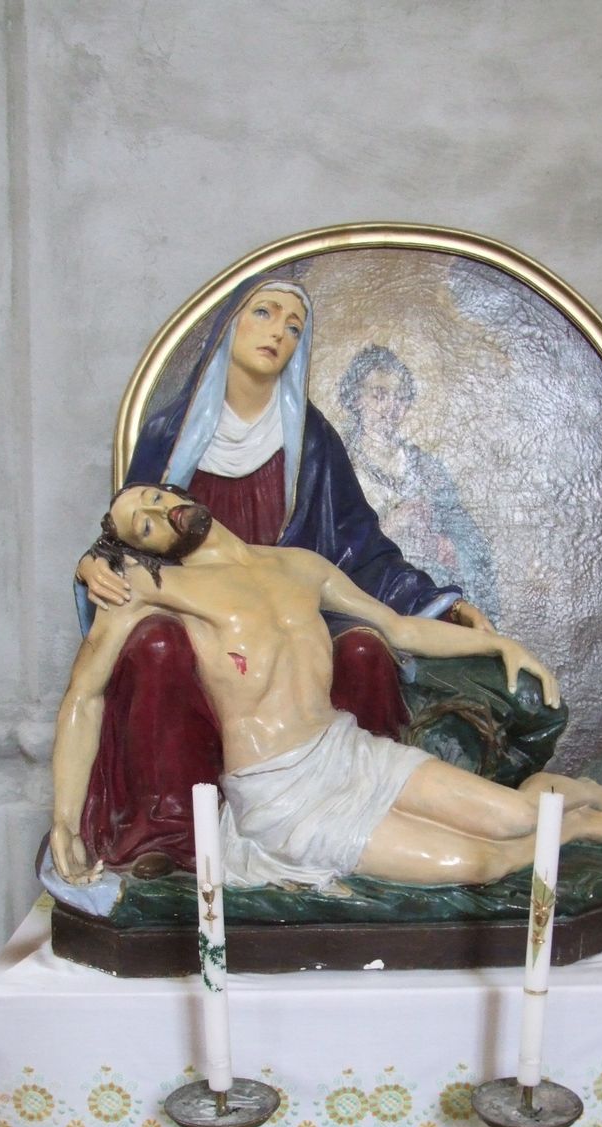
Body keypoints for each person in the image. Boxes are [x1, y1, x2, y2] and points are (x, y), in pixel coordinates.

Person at [73, 277, 497, 876]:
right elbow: (125, 529)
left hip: (290, 604)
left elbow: (359, 544)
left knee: (363, 649)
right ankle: (170, 832)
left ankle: (370, 822)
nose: (278, 332)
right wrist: (94, 564)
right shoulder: (172, 433)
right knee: (157, 645)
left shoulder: (311, 441)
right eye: (264, 313)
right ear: (229, 326)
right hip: (198, 610)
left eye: (294, 326)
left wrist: (437, 603)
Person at [51, 487, 602, 892]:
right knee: (476, 862)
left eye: (158, 498)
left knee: (514, 817)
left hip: (349, 752)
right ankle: (579, 828)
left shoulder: (300, 565)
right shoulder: (152, 588)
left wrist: (499, 645)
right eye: (145, 525)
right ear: (143, 550)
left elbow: (399, 628)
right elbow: (85, 696)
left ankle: (572, 794)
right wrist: (64, 818)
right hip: (282, 792)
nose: (162, 513)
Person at [338, 344, 501, 625]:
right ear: (355, 398)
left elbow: (469, 541)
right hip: (371, 604)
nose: (391, 408)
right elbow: (331, 550)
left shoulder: (427, 468)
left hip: (433, 599)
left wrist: (447, 547)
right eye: (379, 395)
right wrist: (392, 525)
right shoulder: (341, 465)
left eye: (400, 398)